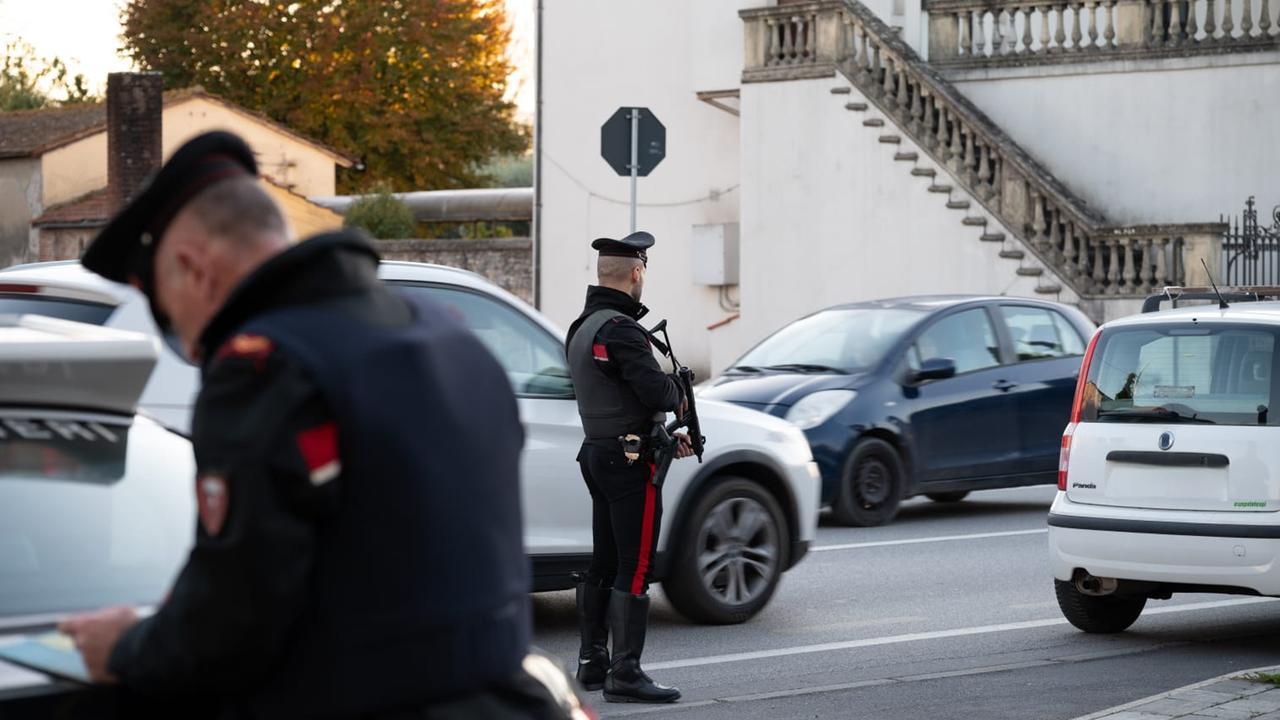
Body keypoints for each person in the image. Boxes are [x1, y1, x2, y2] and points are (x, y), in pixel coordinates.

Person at [58, 131, 550, 719]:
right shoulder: (446, 334)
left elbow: (234, 623)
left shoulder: (266, 368)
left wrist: (127, 648)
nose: (181, 341)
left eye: (163, 309)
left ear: (193, 270)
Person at [564, 232, 692, 705]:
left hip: (599, 453)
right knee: (635, 566)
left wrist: (661, 436)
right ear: (636, 272)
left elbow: (614, 396)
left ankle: (592, 661)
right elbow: (657, 395)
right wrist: (677, 386)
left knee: (604, 559)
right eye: (643, 271)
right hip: (629, 462)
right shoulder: (621, 329)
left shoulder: (581, 327)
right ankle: (626, 673)